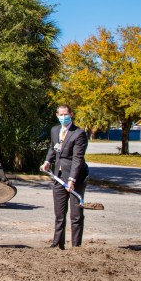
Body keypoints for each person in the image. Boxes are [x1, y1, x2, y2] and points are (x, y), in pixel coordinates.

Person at [40, 104, 89, 249]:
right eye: (60, 115)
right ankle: (57, 244)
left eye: (66, 114)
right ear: (57, 115)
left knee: (76, 215)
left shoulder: (78, 133)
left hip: (76, 178)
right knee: (59, 214)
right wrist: (47, 161)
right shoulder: (55, 130)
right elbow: (53, 148)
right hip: (59, 176)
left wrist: (72, 179)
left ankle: (76, 246)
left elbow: (77, 159)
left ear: (71, 114)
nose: (63, 117)